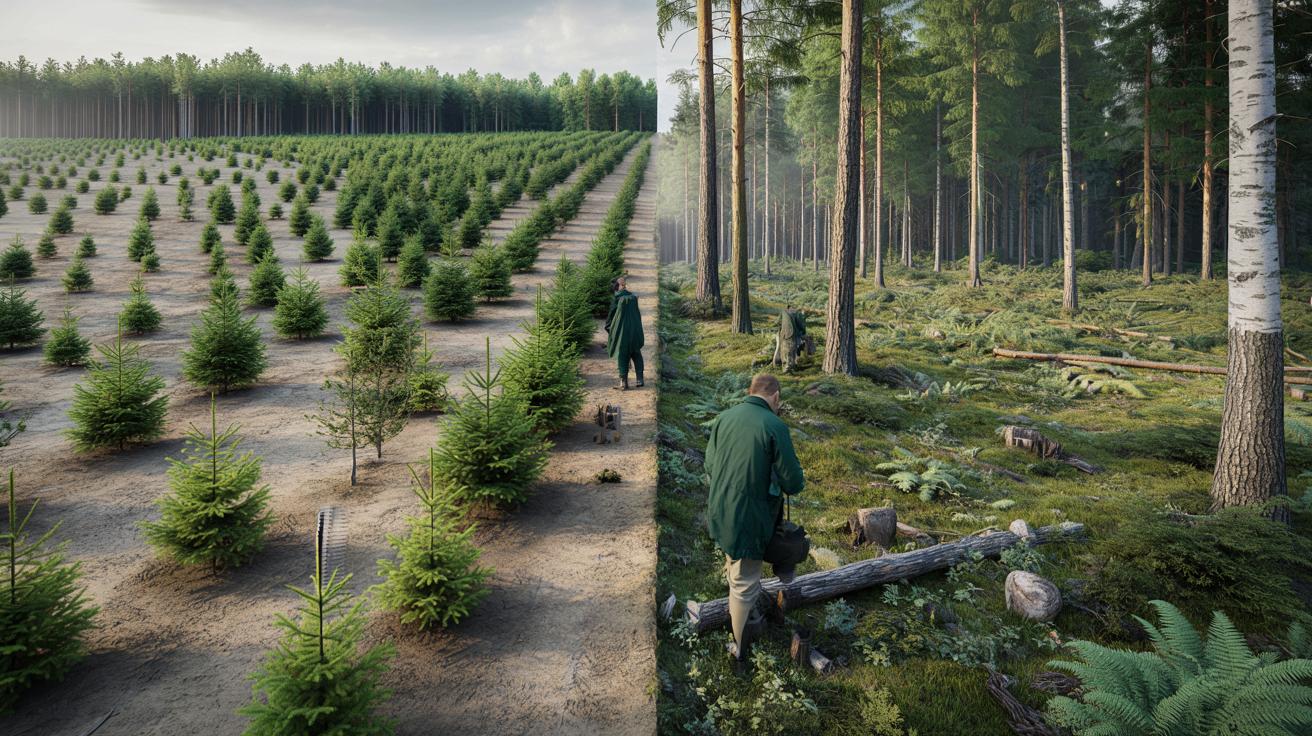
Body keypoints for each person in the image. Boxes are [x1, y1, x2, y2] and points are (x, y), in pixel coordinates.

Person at [704, 373, 805, 664]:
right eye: (779, 400)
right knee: (744, 581)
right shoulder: (774, 425)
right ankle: (739, 652)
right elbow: (793, 482)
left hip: (720, 509)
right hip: (748, 516)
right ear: (775, 396)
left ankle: (745, 615)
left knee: (735, 566)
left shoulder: (724, 417)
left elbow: (710, 463)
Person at [605, 276, 644, 390]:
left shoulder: (617, 300)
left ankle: (623, 382)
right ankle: (639, 379)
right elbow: (638, 315)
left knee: (622, 355)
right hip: (634, 331)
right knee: (636, 353)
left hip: (622, 334)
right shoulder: (633, 297)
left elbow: (609, 321)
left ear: (616, 288)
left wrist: (612, 334)